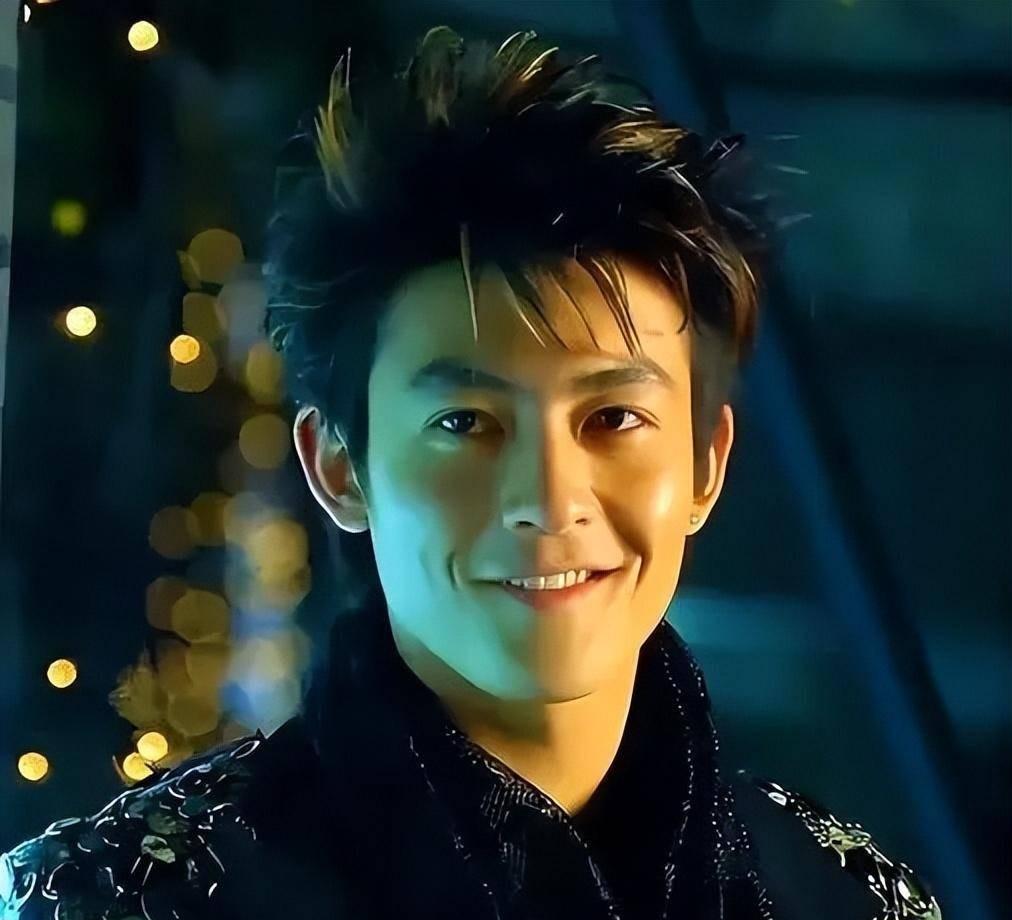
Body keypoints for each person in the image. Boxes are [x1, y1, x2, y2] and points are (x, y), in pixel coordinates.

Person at [0, 26, 941, 920]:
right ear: (340, 466)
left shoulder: (848, 896)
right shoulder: (123, 898)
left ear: (705, 464)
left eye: (613, 418)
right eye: (466, 423)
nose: (550, 500)